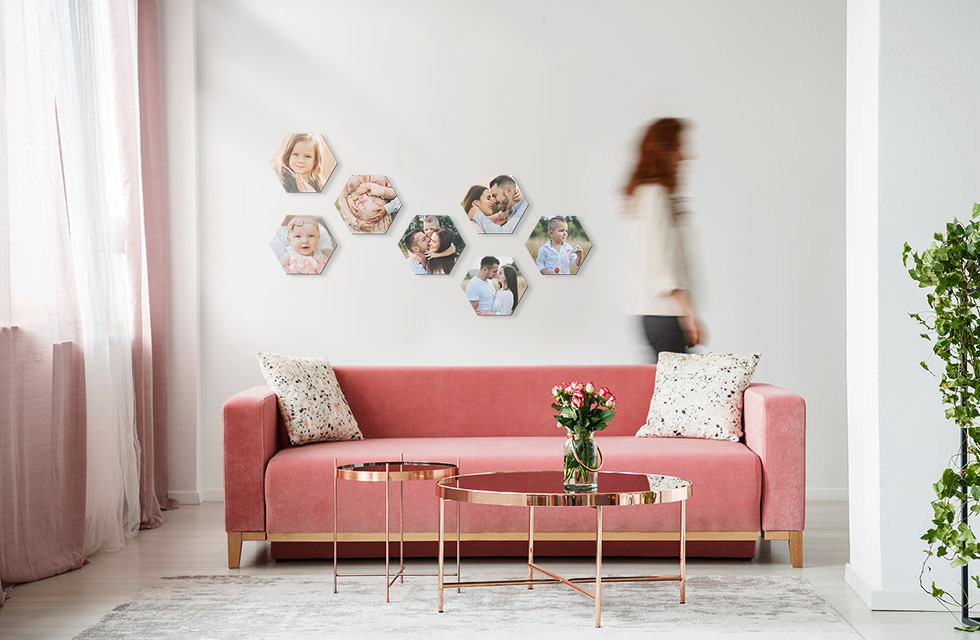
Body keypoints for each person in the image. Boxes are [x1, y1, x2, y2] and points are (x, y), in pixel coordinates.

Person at [625, 117, 705, 362]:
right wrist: (689, 312)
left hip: (664, 316)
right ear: (663, 150)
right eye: (678, 147)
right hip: (665, 316)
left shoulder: (657, 196)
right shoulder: (654, 195)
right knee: (679, 398)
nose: (684, 156)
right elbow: (659, 264)